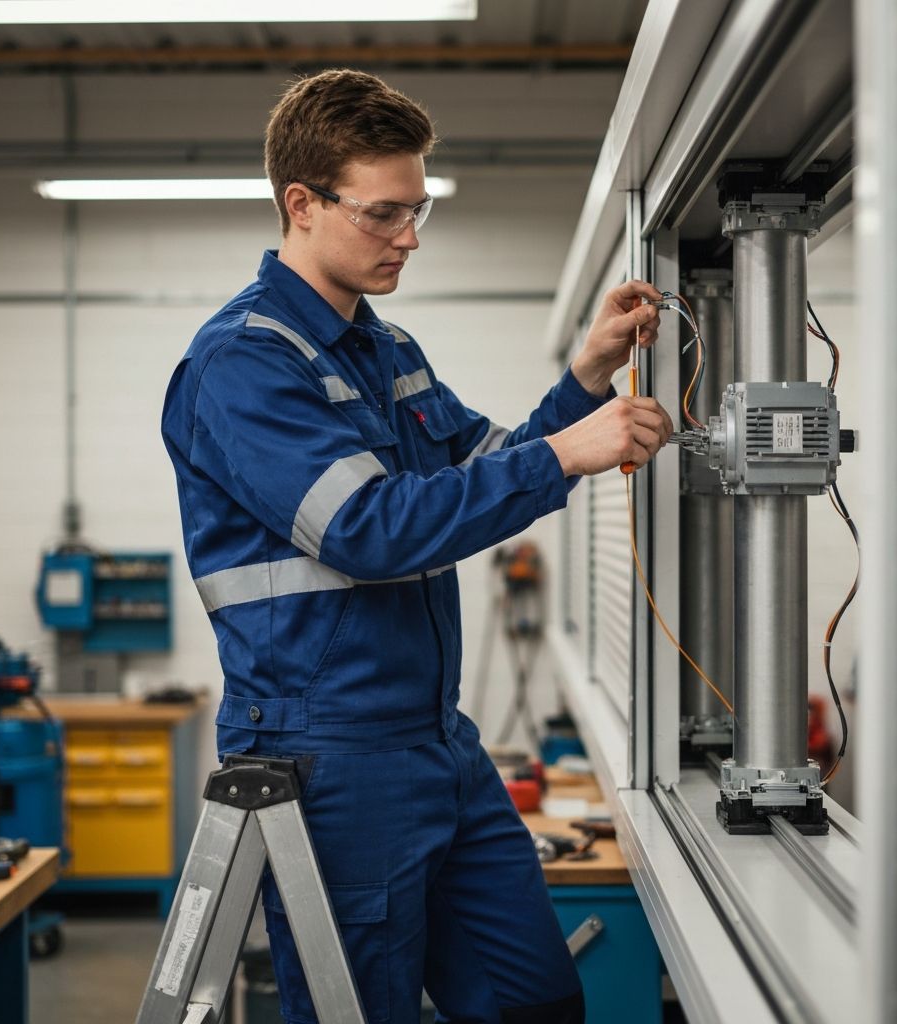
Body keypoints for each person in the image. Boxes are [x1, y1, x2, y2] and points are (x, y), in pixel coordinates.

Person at [162, 68, 671, 1024]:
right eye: (385, 214)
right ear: (302, 205)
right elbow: (368, 530)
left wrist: (585, 382)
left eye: (418, 209)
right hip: (331, 755)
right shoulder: (243, 362)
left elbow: (489, 469)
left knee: (533, 998)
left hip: (438, 740)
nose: (410, 237)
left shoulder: (386, 348)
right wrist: (567, 454)